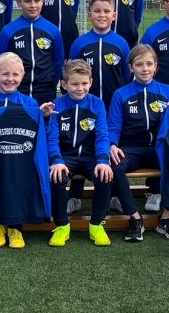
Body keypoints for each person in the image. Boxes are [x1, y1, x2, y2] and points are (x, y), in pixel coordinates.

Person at [0, 52, 57, 249]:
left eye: (15, 74)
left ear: (22, 75)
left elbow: (42, 132)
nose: (10, 79)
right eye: (5, 74)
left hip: (20, 159)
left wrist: (45, 117)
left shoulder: (30, 103)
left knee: (18, 187)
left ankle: (16, 228)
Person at [65, 0, 132, 214]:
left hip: (112, 108)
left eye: (106, 11)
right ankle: (75, 195)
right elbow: (71, 73)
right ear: (89, 14)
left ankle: (114, 195)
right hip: (84, 107)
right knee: (80, 146)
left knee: (108, 147)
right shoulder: (80, 43)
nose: (101, 15)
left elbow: (126, 76)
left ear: (114, 15)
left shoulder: (121, 44)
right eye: (97, 11)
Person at [107, 44, 169, 240]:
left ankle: (167, 218)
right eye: (139, 64)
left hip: (157, 149)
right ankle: (135, 218)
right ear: (131, 68)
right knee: (115, 165)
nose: (145, 69)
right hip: (130, 150)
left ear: (156, 66)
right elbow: (114, 125)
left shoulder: (166, 91)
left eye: (149, 64)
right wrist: (112, 144)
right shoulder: (121, 94)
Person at [46, 60, 115, 247]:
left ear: (91, 82)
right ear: (64, 84)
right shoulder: (56, 105)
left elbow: (102, 135)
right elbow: (52, 138)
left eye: (84, 83)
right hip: (65, 157)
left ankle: (96, 225)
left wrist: (102, 160)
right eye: (74, 84)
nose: (80, 88)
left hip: (90, 157)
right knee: (56, 177)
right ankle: (62, 226)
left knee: (105, 175)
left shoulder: (97, 104)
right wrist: (56, 160)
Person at [0, 0, 64, 105]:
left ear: (43, 0)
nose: (33, 5)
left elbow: (58, 61)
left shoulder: (53, 31)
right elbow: (0, 61)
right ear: (18, 2)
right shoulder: (8, 31)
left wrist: (50, 82)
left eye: (37, 0)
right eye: (27, 1)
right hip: (17, 90)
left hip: (45, 91)